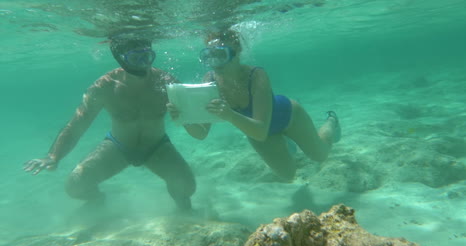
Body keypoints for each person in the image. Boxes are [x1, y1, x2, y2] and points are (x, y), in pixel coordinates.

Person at [23, 36, 196, 211]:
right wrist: (53, 156)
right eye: (136, 58)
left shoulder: (166, 81)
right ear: (121, 59)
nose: (144, 64)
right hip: (118, 147)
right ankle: (97, 200)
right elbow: (76, 125)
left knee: (187, 186)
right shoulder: (105, 87)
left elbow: (193, 119)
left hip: (157, 146)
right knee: (75, 186)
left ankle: (185, 212)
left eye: (148, 56)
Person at [169, 29, 341, 182]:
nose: (216, 62)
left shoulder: (256, 75)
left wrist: (230, 115)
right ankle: (286, 144)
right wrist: (185, 119)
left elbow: (260, 131)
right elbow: (201, 134)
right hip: (257, 131)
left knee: (320, 155)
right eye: (210, 56)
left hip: (289, 116)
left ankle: (331, 122)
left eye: (222, 55)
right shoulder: (210, 80)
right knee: (287, 175)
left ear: (237, 53)